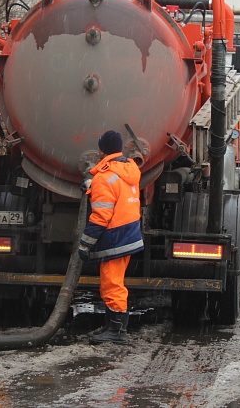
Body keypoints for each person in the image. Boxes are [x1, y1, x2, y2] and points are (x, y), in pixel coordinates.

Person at [79, 130, 143, 345]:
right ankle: (113, 326)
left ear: (100, 150)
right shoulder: (129, 169)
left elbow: (101, 215)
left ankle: (117, 332)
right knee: (113, 281)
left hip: (115, 236)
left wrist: (85, 244)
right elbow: (117, 191)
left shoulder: (104, 177)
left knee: (112, 284)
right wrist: (92, 185)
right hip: (129, 231)